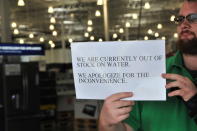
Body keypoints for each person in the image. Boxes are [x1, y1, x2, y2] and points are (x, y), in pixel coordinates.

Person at [98, 0, 197, 131]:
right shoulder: (153, 73)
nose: (184, 24)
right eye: (180, 19)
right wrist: (107, 124)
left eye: (193, 18)